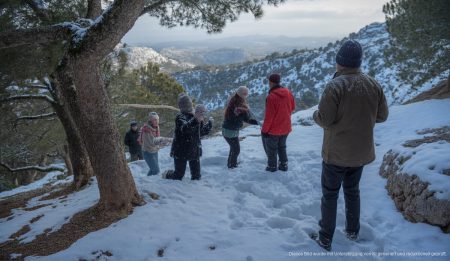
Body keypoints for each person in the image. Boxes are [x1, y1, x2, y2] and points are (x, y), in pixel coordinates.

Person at [311, 40, 389, 251]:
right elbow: (382, 116)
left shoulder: (335, 86)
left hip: (336, 153)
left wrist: (315, 116)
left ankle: (325, 237)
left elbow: (325, 119)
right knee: (352, 191)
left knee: (330, 194)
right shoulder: (373, 84)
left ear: (339, 63)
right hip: (360, 153)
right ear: (358, 63)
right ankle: (352, 230)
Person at [164, 94, 213, 180]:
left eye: (189, 103)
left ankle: (196, 190)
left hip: (194, 149)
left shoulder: (195, 115)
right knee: (178, 175)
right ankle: (167, 174)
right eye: (186, 104)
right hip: (181, 150)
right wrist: (196, 119)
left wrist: (209, 124)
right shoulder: (180, 117)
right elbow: (185, 128)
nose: (189, 105)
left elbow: (200, 132)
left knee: (196, 176)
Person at [261, 73, 296, 172]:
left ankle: (272, 167)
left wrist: (264, 131)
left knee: (272, 149)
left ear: (270, 83)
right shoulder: (288, 92)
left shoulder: (271, 97)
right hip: (286, 127)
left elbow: (269, 117)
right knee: (282, 147)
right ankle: (283, 165)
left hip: (274, 130)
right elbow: (293, 107)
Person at [222, 86, 259, 169]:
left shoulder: (234, 100)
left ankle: (231, 163)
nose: (246, 96)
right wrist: (258, 123)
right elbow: (247, 119)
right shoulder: (240, 107)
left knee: (234, 148)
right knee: (236, 149)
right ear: (243, 95)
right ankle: (232, 165)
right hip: (230, 131)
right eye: (246, 94)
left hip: (227, 129)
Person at [139, 112, 172, 176]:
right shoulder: (146, 129)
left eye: (157, 119)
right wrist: (165, 141)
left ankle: (147, 181)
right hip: (147, 152)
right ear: (150, 120)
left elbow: (158, 138)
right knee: (156, 170)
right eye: (155, 119)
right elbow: (152, 142)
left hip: (154, 151)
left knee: (153, 170)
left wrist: (162, 142)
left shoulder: (156, 127)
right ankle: (147, 182)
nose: (157, 121)